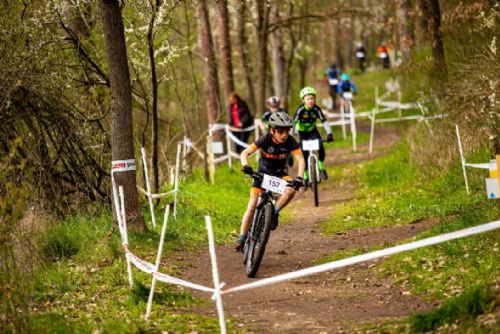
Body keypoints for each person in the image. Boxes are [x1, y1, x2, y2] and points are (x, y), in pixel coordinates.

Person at [235, 111, 305, 252]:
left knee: (291, 190)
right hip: (262, 174)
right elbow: (245, 153)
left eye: (286, 131)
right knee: (252, 205)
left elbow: (301, 159)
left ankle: (274, 212)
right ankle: (242, 238)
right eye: (280, 131)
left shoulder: (291, 141)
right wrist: (245, 165)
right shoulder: (265, 139)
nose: (284, 135)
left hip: (279, 174)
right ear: (272, 130)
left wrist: (300, 177)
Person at [293, 86, 334, 186]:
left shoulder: (317, 109)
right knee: (304, 154)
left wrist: (329, 133)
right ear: (303, 100)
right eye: (308, 99)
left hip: (312, 131)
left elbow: (324, 121)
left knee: (320, 147)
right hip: (302, 132)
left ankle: (321, 167)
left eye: (312, 98)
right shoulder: (300, 110)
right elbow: (293, 123)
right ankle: (306, 176)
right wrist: (291, 137)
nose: (310, 101)